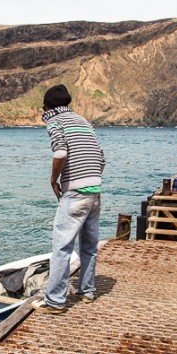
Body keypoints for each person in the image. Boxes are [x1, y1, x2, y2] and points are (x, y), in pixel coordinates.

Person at [33, 84, 106, 314]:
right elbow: (101, 158)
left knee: (62, 247)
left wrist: (54, 179)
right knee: (89, 244)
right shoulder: (83, 121)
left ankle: (54, 301)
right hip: (95, 190)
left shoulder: (56, 121)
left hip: (74, 193)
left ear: (48, 107)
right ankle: (87, 291)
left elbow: (61, 153)